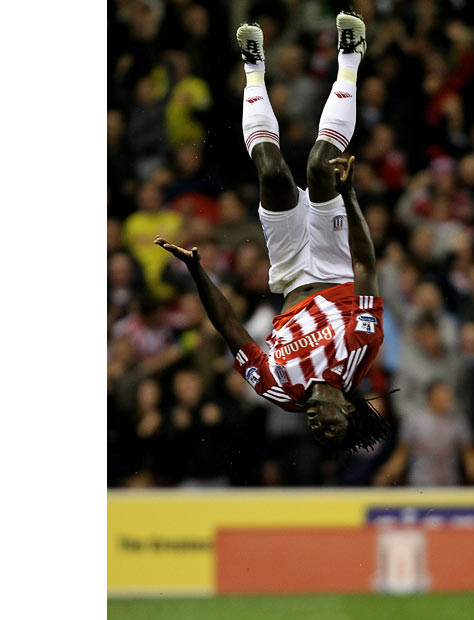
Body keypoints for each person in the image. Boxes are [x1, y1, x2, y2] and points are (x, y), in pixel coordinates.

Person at [154, 12, 389, 453]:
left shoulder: (278, 388)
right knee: (322, 165)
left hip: (288, 271)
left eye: (318, 434)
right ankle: (351, 58)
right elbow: (365, 266)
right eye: (334, 429)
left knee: (271, 170)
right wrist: (350, 195)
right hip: (334, 261)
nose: (320, 428)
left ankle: (253, 68)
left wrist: (196, 271)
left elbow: (231, 329)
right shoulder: (361, 347)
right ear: (351, 410)